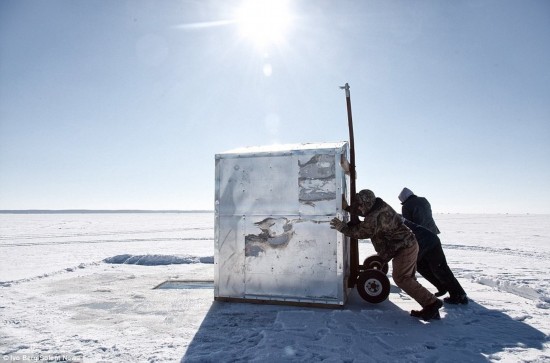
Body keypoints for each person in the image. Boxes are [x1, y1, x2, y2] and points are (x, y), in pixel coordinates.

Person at [330, 189, 443, 321]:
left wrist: (342, 228)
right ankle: (430, 306)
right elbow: (363, 213)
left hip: (404, 247)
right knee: (408, 279)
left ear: (367, 203)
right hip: (408, 244)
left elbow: (362, 232)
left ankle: (432, 303)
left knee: (401, 278)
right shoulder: (378, 206)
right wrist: (349, 208)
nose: (359, 207)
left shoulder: (374, 216)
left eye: (361, 204)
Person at [404, 219, 468, 305]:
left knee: (440, 268)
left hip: (429, 242)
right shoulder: (390, 217)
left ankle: (459, 295)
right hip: (420, 244)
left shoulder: (391, 220)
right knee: (420, 266)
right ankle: (441, 286)